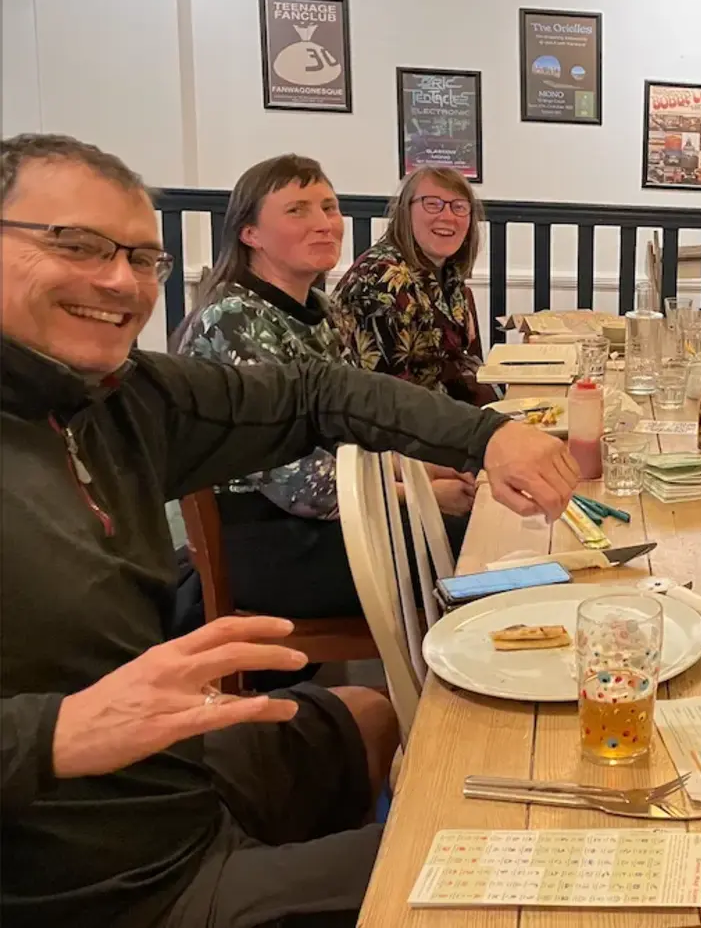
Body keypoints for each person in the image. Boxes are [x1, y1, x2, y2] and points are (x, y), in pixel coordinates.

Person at [0, 133, 576, 926]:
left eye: (141, 257)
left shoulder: (120, 397)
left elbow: (315, 393)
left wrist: (486, 435)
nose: (117, 280)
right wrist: (54, 732)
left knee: (371, 715)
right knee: (526, 860)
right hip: (103, 884)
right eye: (76, 244)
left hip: (171, 779)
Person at [171, 155, 478, 631]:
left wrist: (441, 463)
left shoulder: (319, 308)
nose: (324, 225)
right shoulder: (232, 320)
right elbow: (303, 487)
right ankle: (457, 700)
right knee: (486, 556)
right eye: (297, 211)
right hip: (270, 545)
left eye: (329, 208)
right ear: (249, 233)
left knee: (492, 537)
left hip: (330, 521)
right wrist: (424, 494)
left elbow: (360, 430)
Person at [330, 166, 497, 405]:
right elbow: (388, 401)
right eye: (432, 204)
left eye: (459, 207)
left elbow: (452, 363)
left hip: (442, 413)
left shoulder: (447, 272)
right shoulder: (382, 280)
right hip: (394, 430)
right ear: (405, 212)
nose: (448, 216)